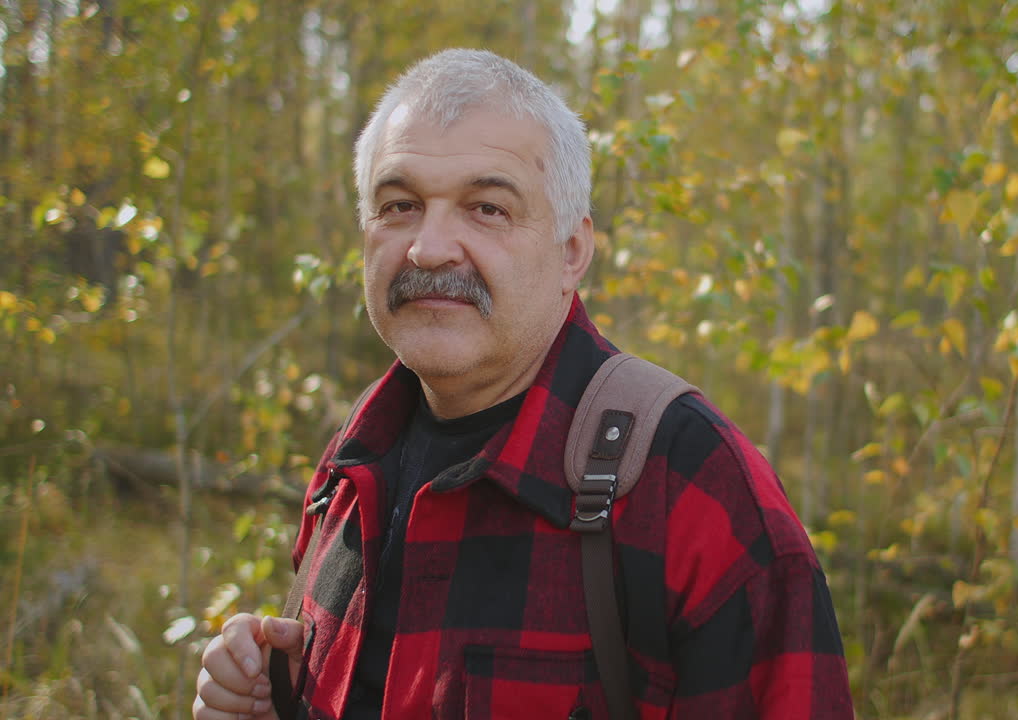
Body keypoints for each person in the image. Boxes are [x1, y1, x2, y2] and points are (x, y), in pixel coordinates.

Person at [193, 48, 855, 720]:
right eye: (400, 205)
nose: (429, 247)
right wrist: (263, 702)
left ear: (572, 251)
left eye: (486, 208)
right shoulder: (352, 460)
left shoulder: (689, 483)